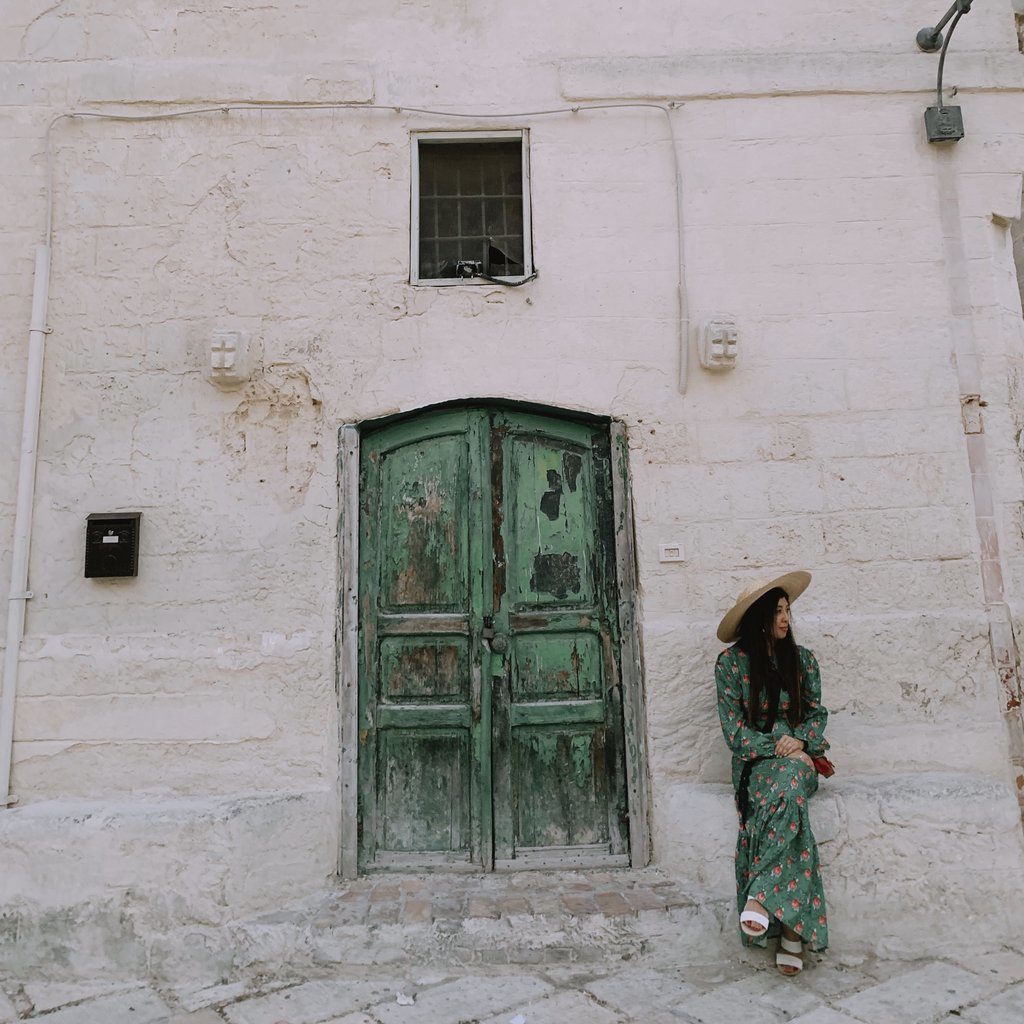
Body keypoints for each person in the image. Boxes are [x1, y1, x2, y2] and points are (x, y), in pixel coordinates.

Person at [714, 571, 830, 977]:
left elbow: (817, 715)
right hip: (755, 766)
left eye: (788, 611)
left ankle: (760, 898)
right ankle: (793, 935)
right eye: (778, 612)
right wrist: (780, 745)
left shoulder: (804, 661)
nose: (786, 619)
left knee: (791, 786)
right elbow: (736, 734)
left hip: (799, 761)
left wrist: (799, 743)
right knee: (790, 798)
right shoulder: (730, 665)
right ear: (760, 618)